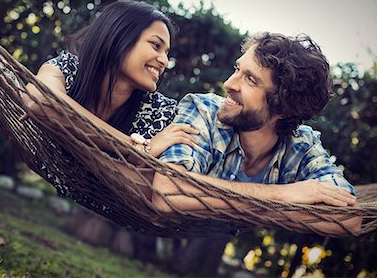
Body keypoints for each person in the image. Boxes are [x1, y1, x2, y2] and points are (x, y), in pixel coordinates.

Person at [152, 32, 362, 235]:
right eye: (237, 69)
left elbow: (350, 219)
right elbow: (166, 193)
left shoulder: (302, 146)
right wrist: (280, 195)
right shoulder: (203, 111)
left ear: (283, 108)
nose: (229, 84)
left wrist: (201, 195)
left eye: (250, 80)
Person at [22, 0, 199, 198]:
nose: (165, 61)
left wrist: (67, 124)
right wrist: (136, 149)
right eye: (156, 45)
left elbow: (151, 187)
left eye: (166, 53)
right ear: (119, 38)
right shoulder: (69, 68)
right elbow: (38, 100)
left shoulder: (159, 111)